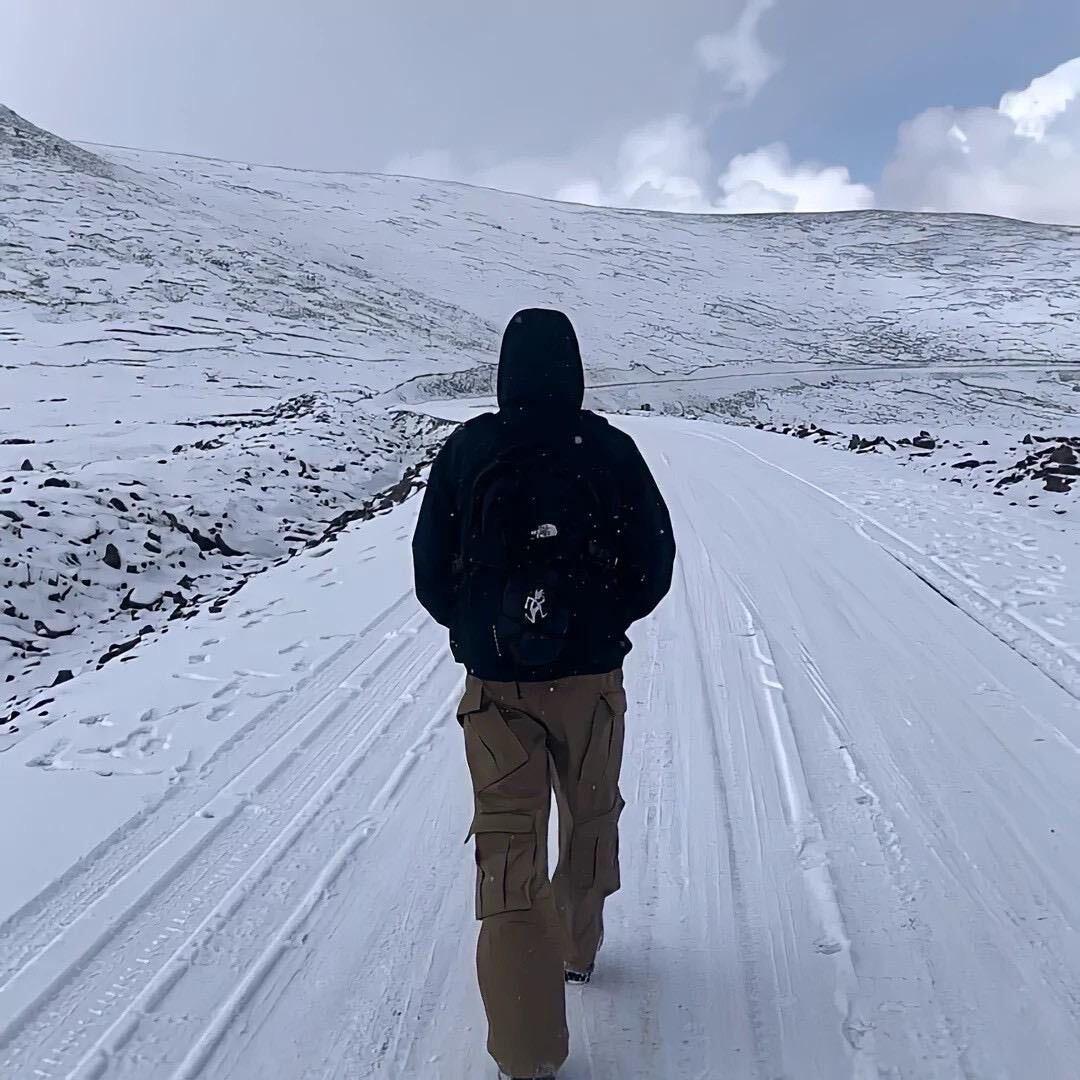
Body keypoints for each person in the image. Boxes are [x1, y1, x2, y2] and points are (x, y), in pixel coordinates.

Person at [412, 308, 675, 1079]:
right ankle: (577, 948)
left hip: (498, 690)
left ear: (505, 369)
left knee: (508, 850)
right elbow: (653, 566)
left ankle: (527, 1057)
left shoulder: (469, 449)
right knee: (589, 812)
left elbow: (431, 571)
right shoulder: (609, 449)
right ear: (574, 366)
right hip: (591, 681)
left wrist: (479, 631)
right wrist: (600, 623)